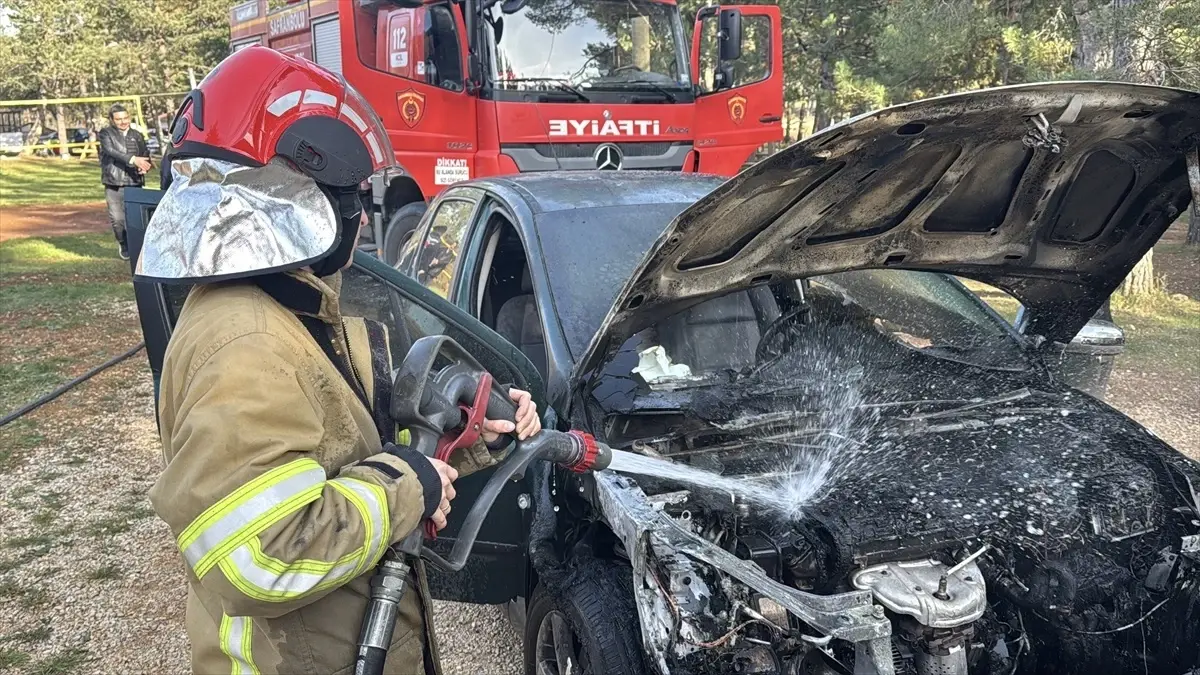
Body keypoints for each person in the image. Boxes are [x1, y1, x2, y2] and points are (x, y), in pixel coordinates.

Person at [135, 46, 542, 675]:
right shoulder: (245, 344)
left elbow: (341, 456)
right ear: (292, 200)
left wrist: (460, 438)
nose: (360, 213)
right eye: (348, 194)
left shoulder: (290, 310)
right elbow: (257, 556)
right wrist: (406, 488)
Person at [98, 104, 151, 260]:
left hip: (134, 182)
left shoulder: (137, 135)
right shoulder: (106, 134)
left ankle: (139, 249)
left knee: (137, 219)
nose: (123, 122)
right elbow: (111, 151)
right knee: (118, 220)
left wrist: (144, 166)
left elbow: (144, 153)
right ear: (112, 120)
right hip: (113, 182)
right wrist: (134, 160)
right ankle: (123, 243)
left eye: (125, 118)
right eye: (119, 119)